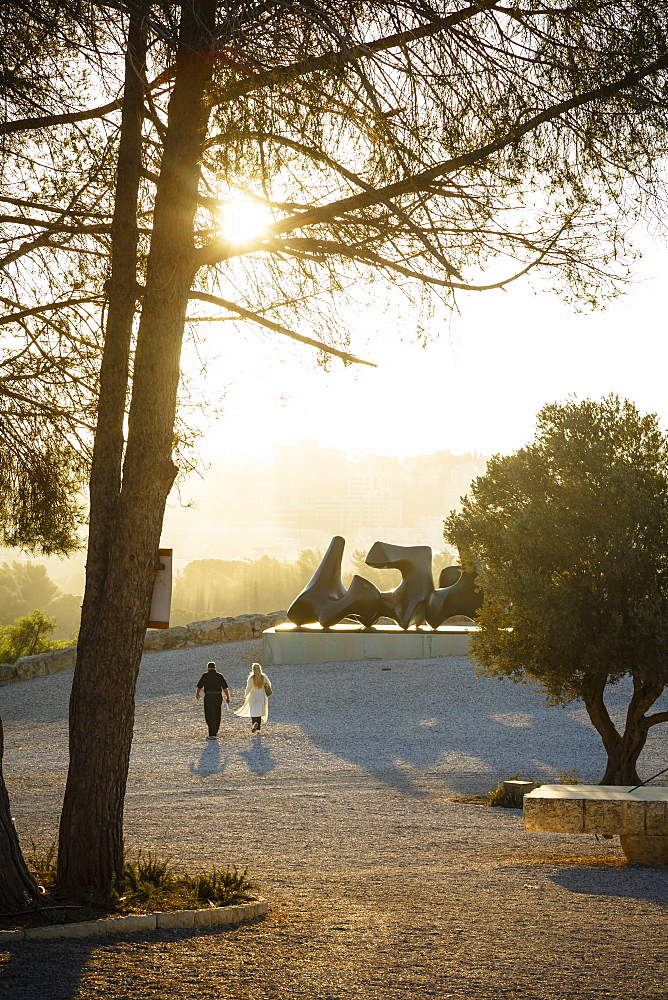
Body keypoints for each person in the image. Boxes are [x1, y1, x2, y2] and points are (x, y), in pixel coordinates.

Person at [195, 661, 230, 739]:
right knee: (217, 713)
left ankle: (212, 733)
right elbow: (225, 688)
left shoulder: (205, 676)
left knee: (209, 714)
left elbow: (199, 686)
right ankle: (215, 731)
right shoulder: (219, 676)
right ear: (215, 667)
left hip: (208, 695)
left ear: (208, 668)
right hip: (218, 695)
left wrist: (197, 694)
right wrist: (228, 697)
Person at [234, 662, 272, 732]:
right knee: (259, 712)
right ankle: (258, 729)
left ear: (253, 669)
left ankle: (254, 723)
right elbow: (269, 684)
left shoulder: (251, 678)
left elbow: (248, 688)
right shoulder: (264, 677)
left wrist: (245, 696)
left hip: (253, 697)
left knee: (253, 711)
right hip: (261, 696)